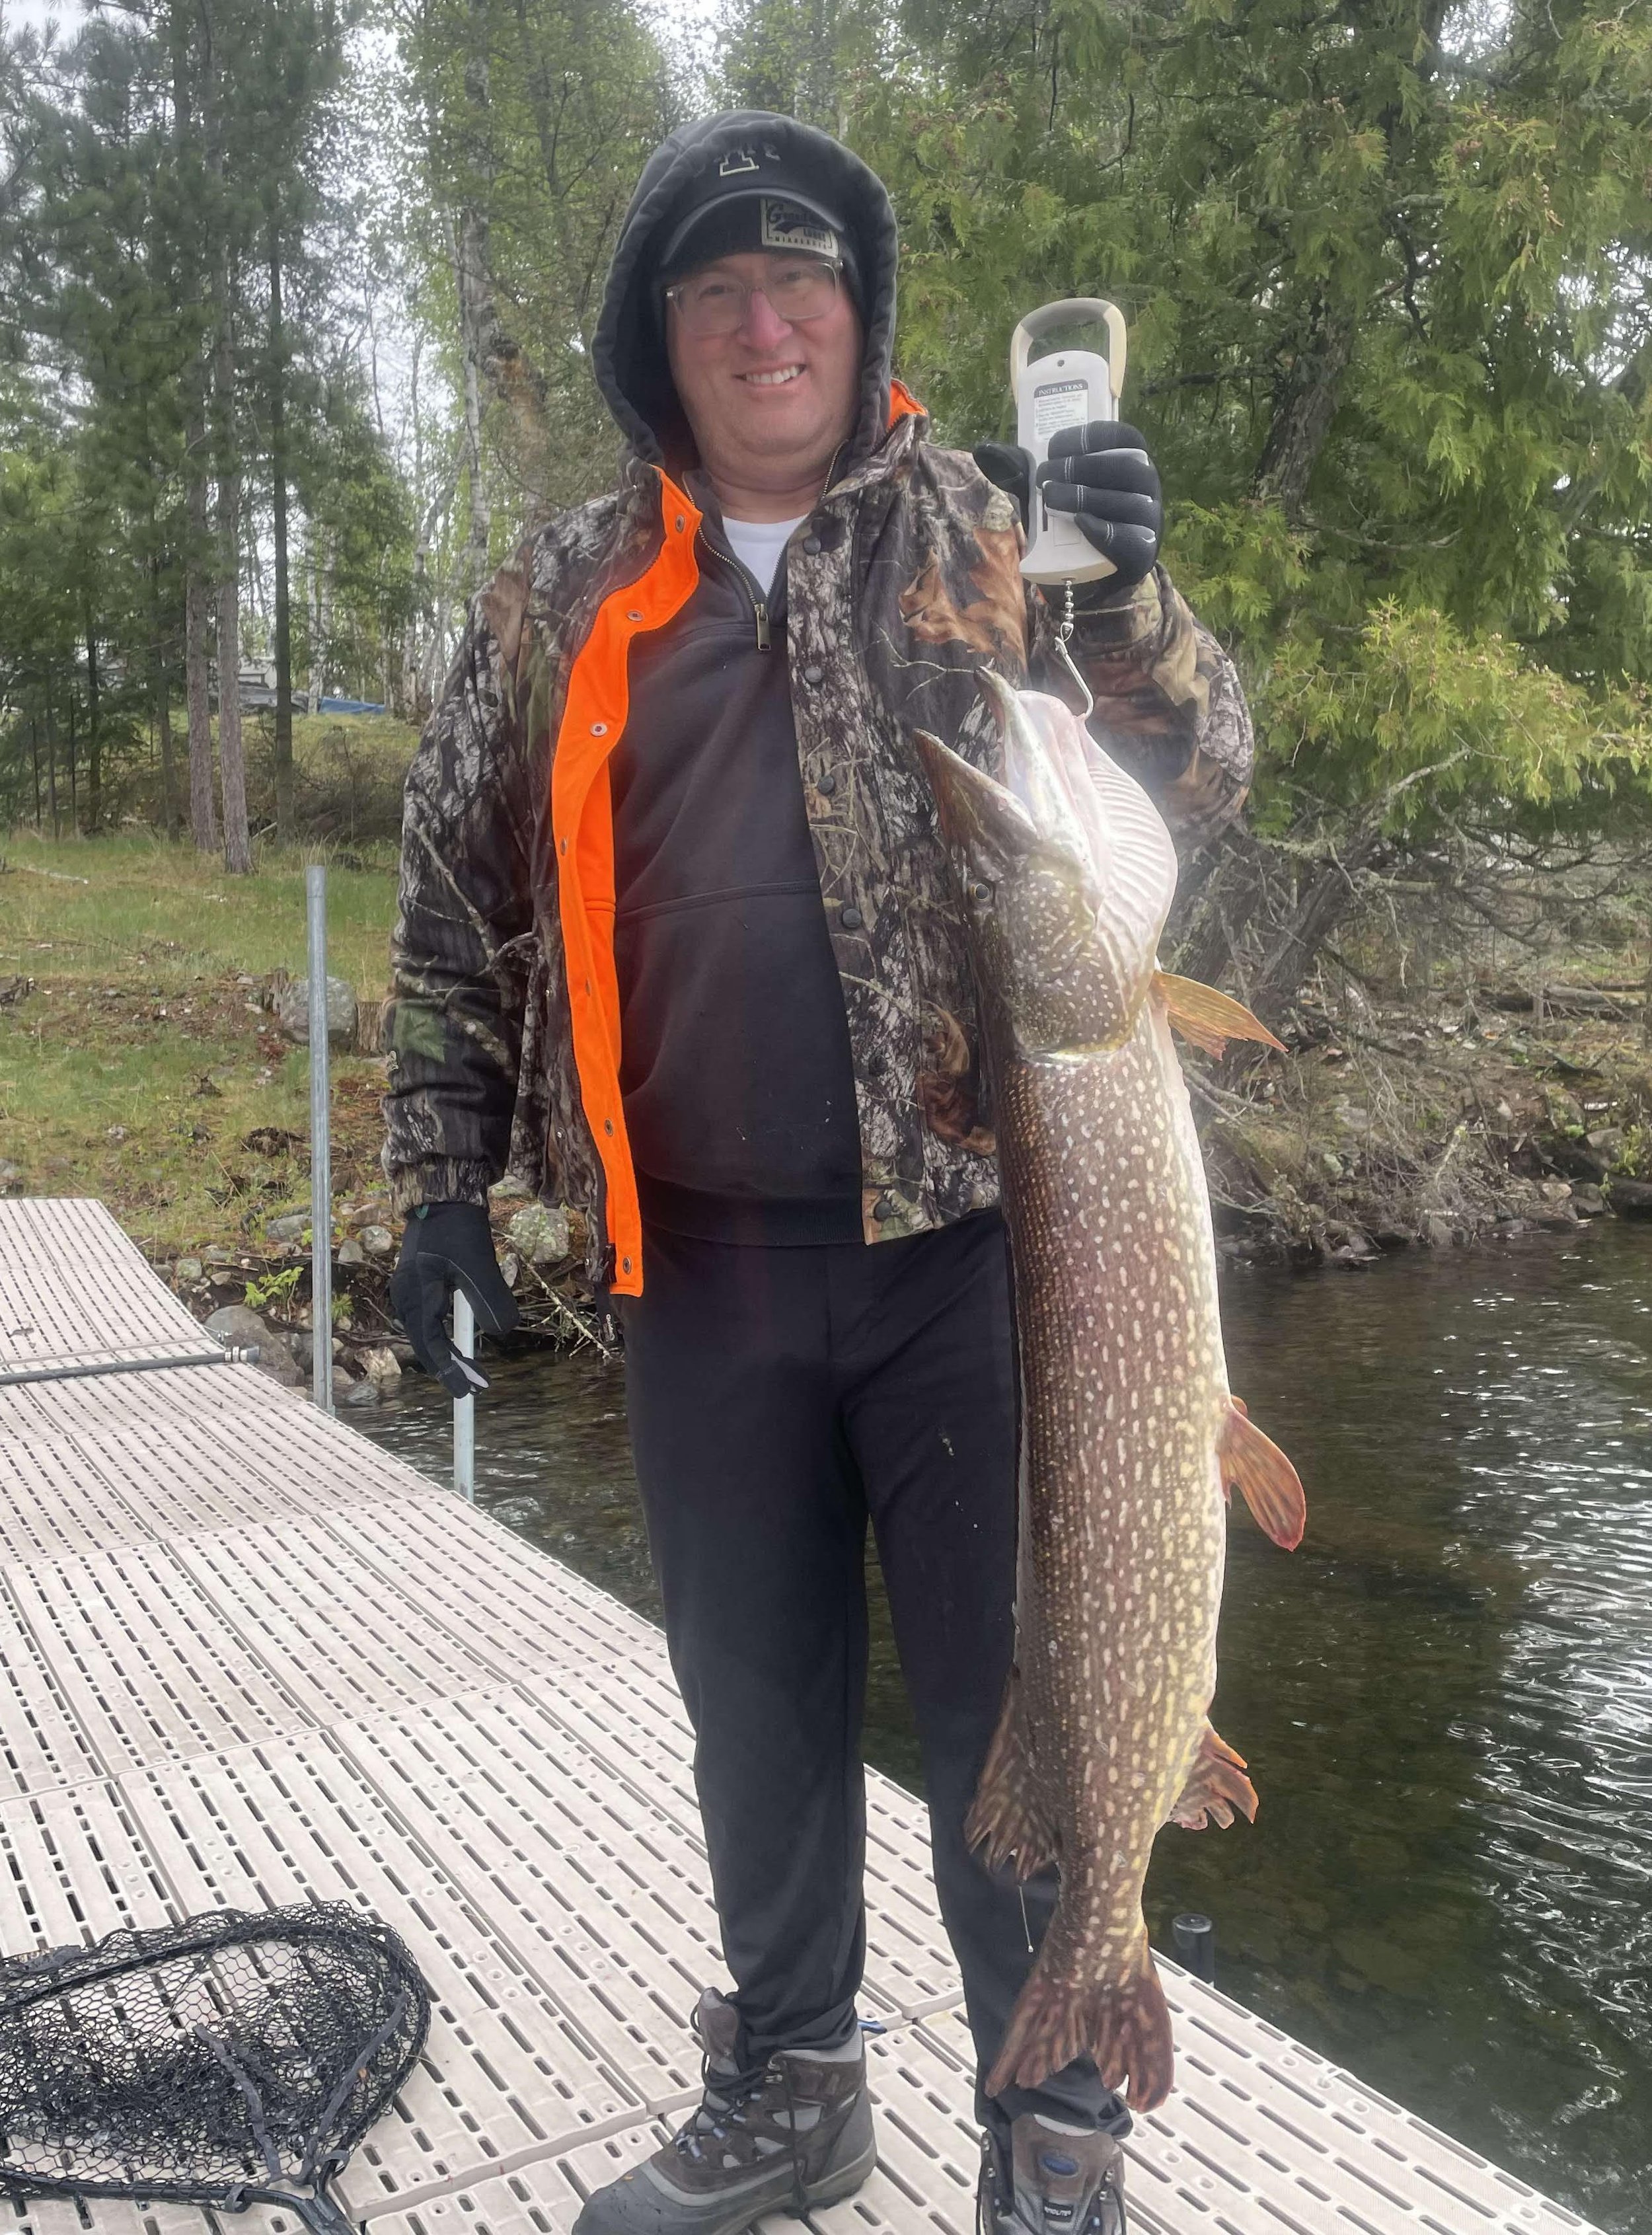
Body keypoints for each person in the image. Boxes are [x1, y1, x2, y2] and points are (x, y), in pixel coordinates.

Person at [385, 110, 1253, 2235]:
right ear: (658, 338)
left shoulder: (993, 536)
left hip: (983, 1252)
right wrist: (435, 1188)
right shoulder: (563, 594)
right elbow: (449, 912)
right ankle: (792, 2084)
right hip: (693, 1264)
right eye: (714, 292)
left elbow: (1197, 771)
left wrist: (1129, 599)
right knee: (751, 1717)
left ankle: (1054, 2118)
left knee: (1016, 1704)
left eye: (801, 284)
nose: (763, 323)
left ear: (859, 319)